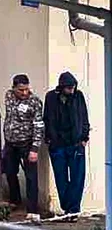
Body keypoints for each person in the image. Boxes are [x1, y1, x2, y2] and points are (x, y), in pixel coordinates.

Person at [44, 71, 90, 215]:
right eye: (69, 88)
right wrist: (49, 138)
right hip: (57, 144)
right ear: (62, 87)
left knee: (77, 178)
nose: (72, 90)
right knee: (61, 178)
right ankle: (68, 208)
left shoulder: (78, 96)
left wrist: (84, 138)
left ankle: (73, 210)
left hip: (75, 143)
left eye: (73, 87)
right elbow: (47, 118)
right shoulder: (51, 97)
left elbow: (84, 117)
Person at [1, 74, 43, 220]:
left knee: (31, 176)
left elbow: (38, 126)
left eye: (26, 89)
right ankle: (15, 199)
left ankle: (32, 209)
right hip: (11, 142)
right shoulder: (9, 96)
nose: (24, 93)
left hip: (27, 143)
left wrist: (35, 149)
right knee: (10, 171)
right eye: (20, 90)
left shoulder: (35, 102)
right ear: (14, 89)